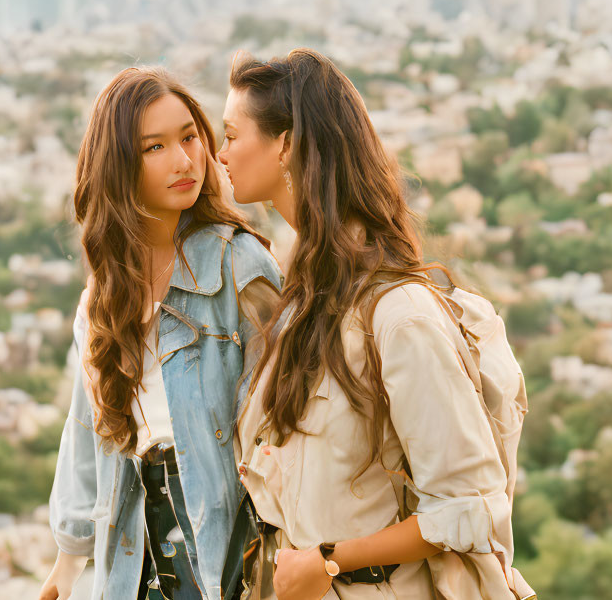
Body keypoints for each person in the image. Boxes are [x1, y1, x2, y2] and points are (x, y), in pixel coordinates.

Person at [218, 48, 533, 599]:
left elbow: (469, 506)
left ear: (285, 144)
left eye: (230, 135)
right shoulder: (304, 296)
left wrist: (328, 563)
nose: (221, 155)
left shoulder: (400, 316)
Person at [39, 67, 283, 600]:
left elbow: (288, 421)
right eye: (154, 147)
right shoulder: (102, 300)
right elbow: (86, 431)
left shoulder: (240, 267)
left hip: (230, 554)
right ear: (119, 165)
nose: (183, 160)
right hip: (133, 557)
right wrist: (65, 567)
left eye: (190, 136)